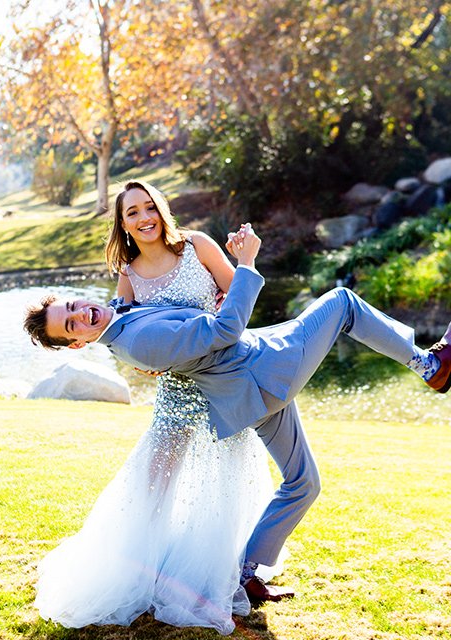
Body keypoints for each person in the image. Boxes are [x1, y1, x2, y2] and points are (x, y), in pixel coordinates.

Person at [24, 223, 451, 608]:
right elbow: (224, 332)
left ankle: (245, 576)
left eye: (72, 306)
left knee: (304, 483)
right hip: (261, 375)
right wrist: (246, 261)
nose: (82, 314)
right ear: (77, 344)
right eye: (72, 325)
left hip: (248, 392)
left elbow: (133, 300)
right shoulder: (136, 340)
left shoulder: (121, 316)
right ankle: (430, 367)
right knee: (341, 303)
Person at [32, 181, 282, 634]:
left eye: (149, 207)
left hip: (221, 383)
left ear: (161, 209)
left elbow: (239, 298)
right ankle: (134, 572)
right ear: (122, 223)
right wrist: (149, 366)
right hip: (175, 395)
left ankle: (223, 574)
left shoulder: (198, 245)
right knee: (154, 486)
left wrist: (230, 290)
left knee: (225, 483)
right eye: (132, 213)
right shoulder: (128, 271)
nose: (143, 217)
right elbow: (120, 331)